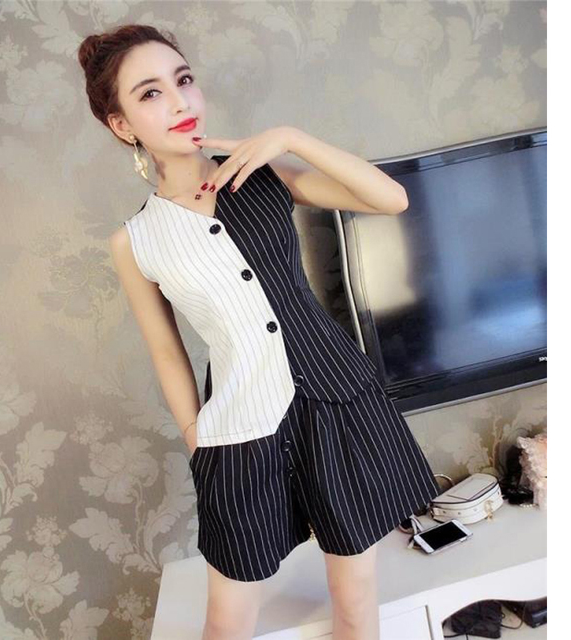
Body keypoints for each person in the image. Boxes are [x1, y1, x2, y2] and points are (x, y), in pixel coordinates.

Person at [78, 24, 441, 640]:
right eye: (151, 93)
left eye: (184, 80)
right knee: (228, 621)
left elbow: (391, 199)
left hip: (336, 400)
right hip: (239, 425)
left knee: (355, 601)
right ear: (121, 125)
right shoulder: (135, 241)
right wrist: (198, 442)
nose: (179, 100)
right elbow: (166, 351)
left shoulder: (262, 174)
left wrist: (291, 137)